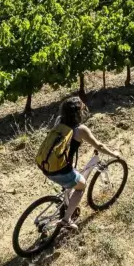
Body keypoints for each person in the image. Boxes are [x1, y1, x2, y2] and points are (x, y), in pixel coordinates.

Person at [49, 96, 122, 231]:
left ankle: (65, 202)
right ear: (78, 113)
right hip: (61, 170)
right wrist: (113, 154)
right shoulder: (80, 130)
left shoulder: (59, 121)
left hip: (48, 164)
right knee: (82, 186)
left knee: (74, 175)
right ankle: (66, 220)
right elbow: (99, 146)